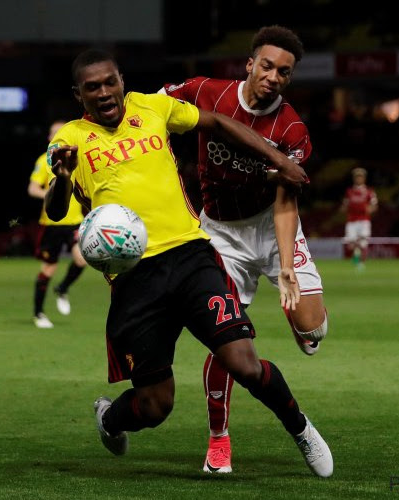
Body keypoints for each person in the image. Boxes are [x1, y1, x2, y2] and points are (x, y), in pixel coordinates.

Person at [45, 48, 332, 477]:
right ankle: (110, 419)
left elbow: (216, 122)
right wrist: (64, 178)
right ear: (78, 95)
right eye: (92, 88)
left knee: (244, 363)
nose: (104, 92)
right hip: (134, 278)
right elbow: (54, 209)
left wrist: (278, 160)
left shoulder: (154, 106)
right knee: (156, 406)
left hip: (191, 256)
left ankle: (301, 428)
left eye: (110, 82)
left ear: (122, 80)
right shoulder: (70, 137)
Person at [161, 25, 329, 473]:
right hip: (219, 233)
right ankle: (219, 439)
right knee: (225, 342)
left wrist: (287, 268)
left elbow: (286, 199)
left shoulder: (291, 130)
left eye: (285, 73)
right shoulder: (205, 92)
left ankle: (302, 323)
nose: (274, 77)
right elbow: (149, 108)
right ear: (250, 64)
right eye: (268, 66)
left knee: (312, 331)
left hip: (270, 227)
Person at [28, 119, 87, 329]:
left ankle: (62, 288)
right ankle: (39, 313)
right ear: (49, 138)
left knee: (82, 260)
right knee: (48, 269)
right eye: (54, 133)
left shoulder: (77, 160)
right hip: (52, 223)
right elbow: (32, 189)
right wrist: (54, 194)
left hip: (75, 222)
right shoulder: (44, 161)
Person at [340, 167, 378, 269]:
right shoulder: (349, 191)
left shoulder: (369, 191)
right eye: (357, 177)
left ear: (364, 178)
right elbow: (345, 204)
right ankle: (356, 257)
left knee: (363, 241)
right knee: (351, 243)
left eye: (360, 176)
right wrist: (343, 208)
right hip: (352, 220)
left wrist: (370, 209)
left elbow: (374, 205)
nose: (359, 179)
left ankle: (361, 262)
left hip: (364, 220)